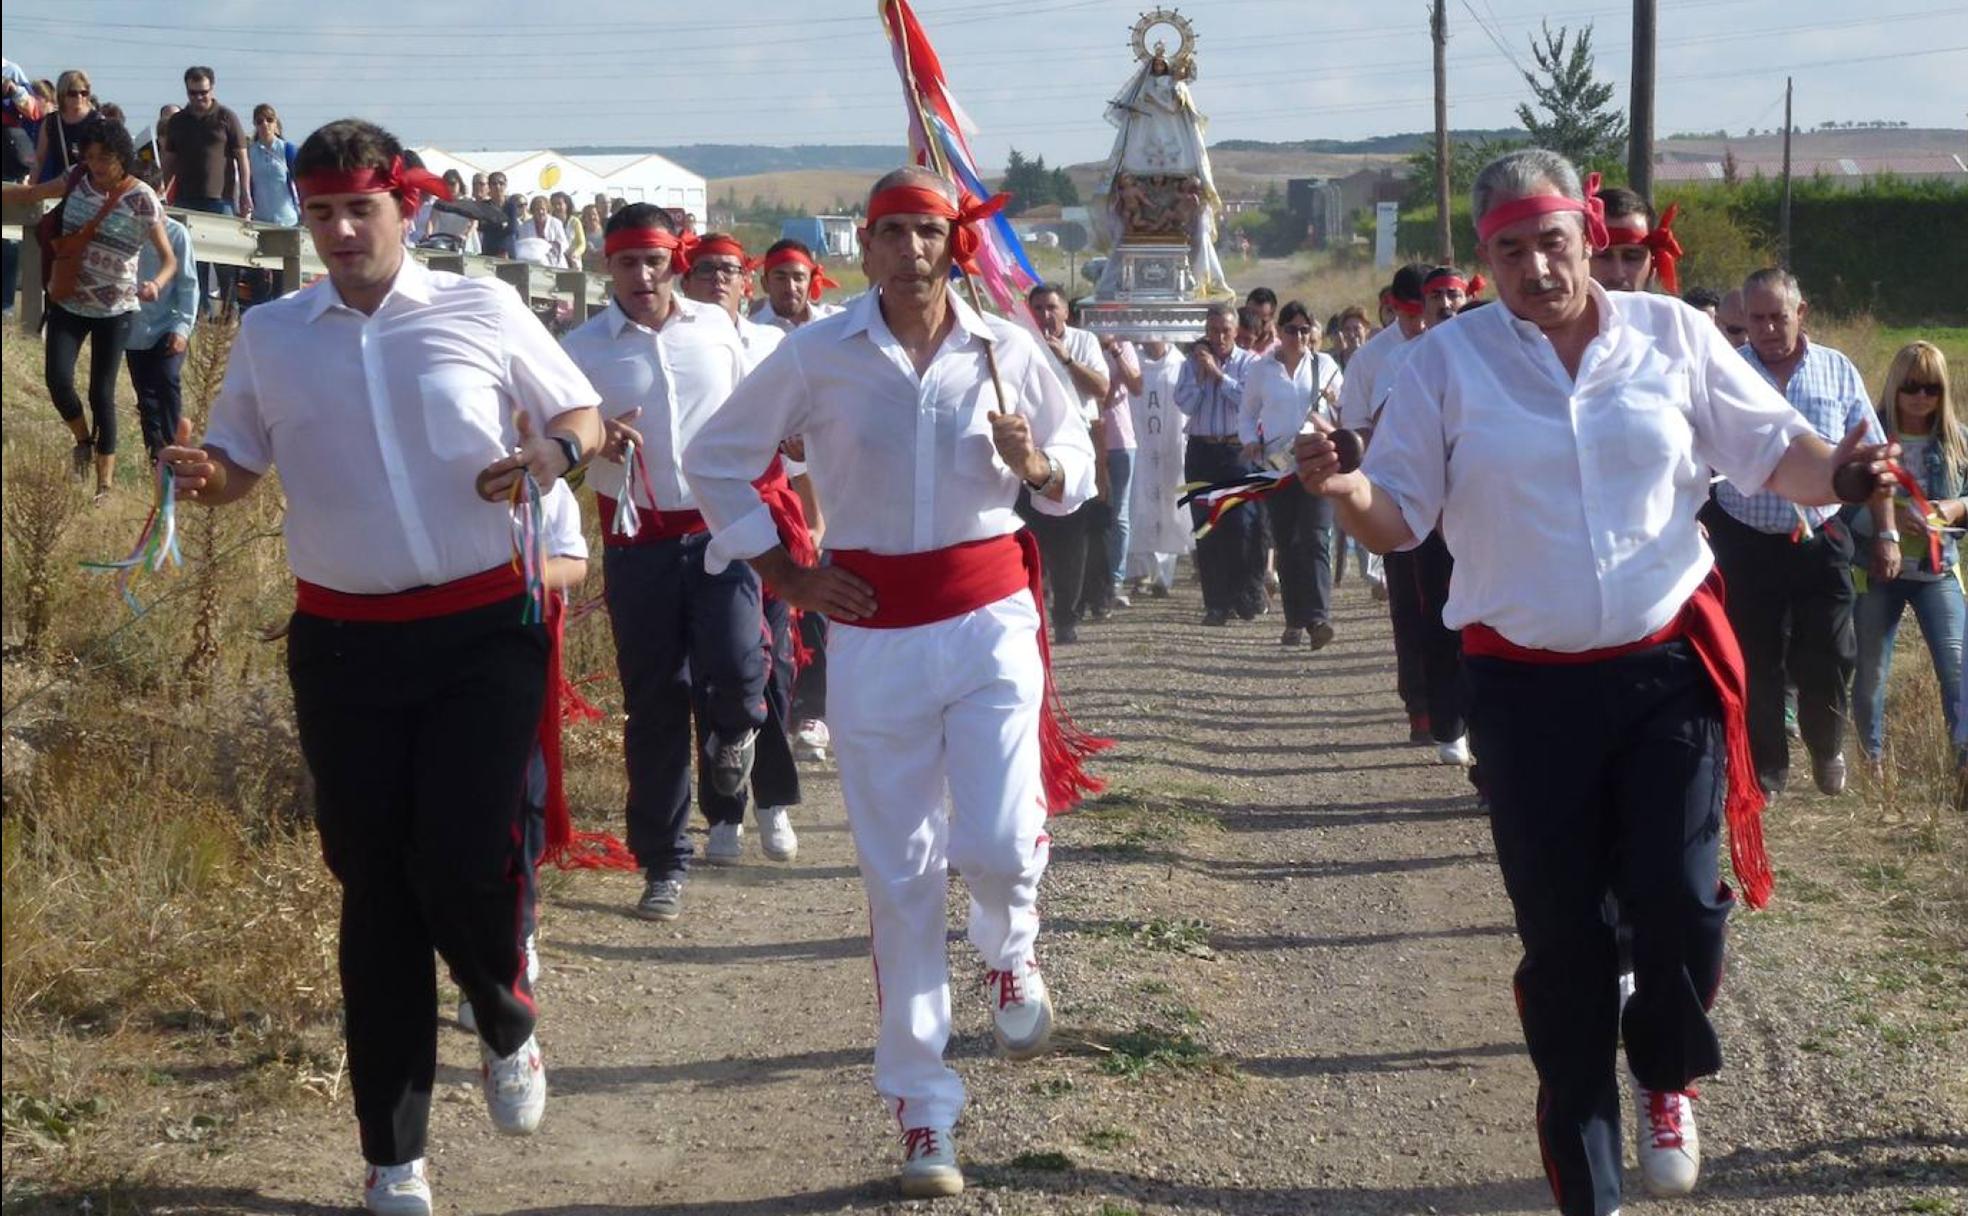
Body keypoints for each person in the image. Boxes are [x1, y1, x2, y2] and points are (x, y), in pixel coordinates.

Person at [1295, 146, 1899, 1216]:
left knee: (1682, 898)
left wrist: (1844, 476)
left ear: (1589, 232)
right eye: (1510, 250)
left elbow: (1773, 454)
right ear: (1484, 257)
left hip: (1666, 668)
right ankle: (1591, 1180)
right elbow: (1400, 517)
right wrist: (1345, 489)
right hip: (1525, 696)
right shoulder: (1450, 366)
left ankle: (1665, 1074)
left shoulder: (1670, 333)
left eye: (1553, 243)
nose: (1536, 268)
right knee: (1566, 942)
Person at [157, 117, 604, 1216]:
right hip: (345, 640)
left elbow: (580, 415)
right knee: (374, 887)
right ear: (300, 219)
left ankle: (504, 1018)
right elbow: (239, 470)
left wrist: (554, 452)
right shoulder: (274, 334)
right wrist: (198, 472)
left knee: (456, 856)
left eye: (361, 209)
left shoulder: (480, 306)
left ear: (408, 208)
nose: (342, 231)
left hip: (483, 628)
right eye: (319, 214)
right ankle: (394, 1152)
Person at [682, 166, 1097, 1198]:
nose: (910, 250)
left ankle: (1009, 942)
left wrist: (1037, 462)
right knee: (901, 877)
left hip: (990, 615)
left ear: (953, 244)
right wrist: (779, 566)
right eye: (890, 233)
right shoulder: (818, 353)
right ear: (859, 248)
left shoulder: (1007, 348)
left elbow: (1076, 468)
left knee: (999, 837)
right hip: (874, 635)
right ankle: (923, 1109)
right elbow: (715, 455)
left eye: (927, 231)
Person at [560, 205, 775, 915]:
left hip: (725, 529)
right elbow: (552, 440)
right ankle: (664, 861)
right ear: (608, 266)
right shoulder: (581, 348)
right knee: (654, 702)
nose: (643, 275)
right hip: (638, 540)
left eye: (654, 261)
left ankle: (734, 731)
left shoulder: (720, 330)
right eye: (628, 263)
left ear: (673, 261)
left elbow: (766, 411)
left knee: (741, 671)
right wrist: (595, 442)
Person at [1703, 267, 1890, 797]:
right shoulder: (1727, 373)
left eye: (1777, 317)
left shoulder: (1837, 370)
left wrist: (1887, 534)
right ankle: (1769, 766)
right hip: (1745, 537)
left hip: (1822, 537)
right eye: (1755, 318)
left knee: (1830, 651)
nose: (1765, 328)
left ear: (1801, 312)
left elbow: (1870, 458)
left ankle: (1826, 743)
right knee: (1755, 656)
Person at [2, 116, 176, 501]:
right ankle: (82, 439)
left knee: (102, 393)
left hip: (116, 309)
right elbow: (32, 194)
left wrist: (155, 284)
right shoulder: (77, 177)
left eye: (106, 157)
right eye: (91, 155)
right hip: (69, 299)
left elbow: (169, 259)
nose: (97, 165)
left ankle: (104, 484)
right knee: (57, 380)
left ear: (123, 157)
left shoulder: (142, 197)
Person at [1374, 267, 1476, 764]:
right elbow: (1382, 432)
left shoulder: (1489, 350)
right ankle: (1447, 721)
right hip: (1428, 513)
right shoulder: (1400, 360)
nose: (1447, 304)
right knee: (1436, 614)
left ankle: (1483, 718)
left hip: (1487, 514)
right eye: (1437, 296)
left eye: (1455, 295)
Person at [1853, 341, 1965, 776]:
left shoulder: (1958, 442)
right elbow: (1842, 502)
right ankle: (1871, 762)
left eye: (1932, 388)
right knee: (1871, 670)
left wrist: (1952, 510)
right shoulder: (1871, 440)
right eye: (1912, 387)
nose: (1922, 397)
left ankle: (1963, 763)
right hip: (1876, 571)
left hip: (1937, 571)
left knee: (1957, 667)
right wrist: (1897, 515)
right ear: (1895, 387)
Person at [1241, 301, 1342, 648]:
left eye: (1303, 329)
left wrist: (1333, 403)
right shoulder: (1261, 370)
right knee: (1286, 540)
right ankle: (1294, 619)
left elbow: (1344, 412)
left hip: (1317, 461)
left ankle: (1318, 618)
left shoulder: (1325, 366)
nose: (1297, 336)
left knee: (1315, 537)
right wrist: (1250, 441)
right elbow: (1246, 413)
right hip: (1277, 465)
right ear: (1279, 332)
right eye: (1290, 329)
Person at [1336, 265, 1433, 612]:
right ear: (1392, 307)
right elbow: (1355, 426)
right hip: (1394, 491)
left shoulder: (1447, 345)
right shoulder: (1370, 358)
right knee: (1408, 602)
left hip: (1445, 494)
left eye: (1424, 313)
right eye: (1409, 314)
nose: (1418, 324)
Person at [1024, 282, 1108, 643]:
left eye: (1051, 308)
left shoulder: (1083, 342)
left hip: (1076, 446)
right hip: (1032, 449)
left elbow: (1102, 388)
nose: (1045, 316)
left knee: (1072, 538)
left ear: (1065, 312)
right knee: (1030, 533)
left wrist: (1066, 359)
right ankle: (1033, 612)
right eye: (1038, 308)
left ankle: (1067, 616)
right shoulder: (1022, 342)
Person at [1177, 301, 1262, 624]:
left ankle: (1245, 592)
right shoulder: (1191, 364)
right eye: (1213, 330)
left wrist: (1217, 375)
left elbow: (1247, 400)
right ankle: (1216, 602)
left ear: (1236, 330)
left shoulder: (1251, 363)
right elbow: (1184, 403)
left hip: (1236, 452)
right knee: (1206, 527)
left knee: (1241, 525)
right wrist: (1201, 376)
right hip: (1201, 451)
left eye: (1225, 330)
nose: (1219, 336)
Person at [123, 159, 198, 465]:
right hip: (135, 329)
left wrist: (182, 328)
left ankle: (173, 449)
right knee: (146, 397)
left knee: (167, 380)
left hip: (168, 324)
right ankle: (156, 456)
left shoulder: (177, 234)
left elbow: (189, 285)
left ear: (161, 192)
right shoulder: (122, 231)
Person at [1126, 337, 1191, 595]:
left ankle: (1163, 574)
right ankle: (1141, 571)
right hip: (1141, 440)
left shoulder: (1181, 365)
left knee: (1169, 505)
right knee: (1139, 501)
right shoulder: (1133, 363)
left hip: (1171, 444)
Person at [1096, 334, 1141, 612]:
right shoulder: (1081, 344)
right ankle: (1094, 583)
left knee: (1119, 515)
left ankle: (1115, 581)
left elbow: (1136, 385)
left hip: (1121, 441)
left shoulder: (1123, 346)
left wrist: (1114, 350)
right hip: (1090, 438)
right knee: (1092, 513)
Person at [1591, 185, 1682, 294]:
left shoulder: (1675, 311)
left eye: (1632, 257)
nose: (1618, 275)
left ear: (1652, 265)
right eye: (1603, 256)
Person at [753, 238, 842, 331]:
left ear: (811, 282)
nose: (790, 287)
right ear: (765, 283)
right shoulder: (752, 331)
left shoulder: (829, 324)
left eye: (798, 278)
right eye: (781, 278)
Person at [31, 69, 93, 184]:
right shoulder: (51, 122)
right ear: (62, 94)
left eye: (84, 93)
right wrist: (30, 189)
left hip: (91, 188)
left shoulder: (97, 121)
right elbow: (39, 159)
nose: (79, 97)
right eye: (73, 93)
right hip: (61, 186)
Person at [247, 104, 299, 227]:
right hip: (260, 219)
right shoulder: (250, 153)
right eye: (260, 121)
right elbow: (247, 185)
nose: (265, 124)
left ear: (276, 123)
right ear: (255, 124)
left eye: (269, 120)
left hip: (287, 219)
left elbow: (300, 183)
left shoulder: (288, 150)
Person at [511, 194, 568, 268]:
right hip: (533, 264)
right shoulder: (524, 226)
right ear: (533, 211)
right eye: (537, 209)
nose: (540, 212)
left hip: (555, 264)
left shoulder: (556, 223)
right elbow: (521, 245)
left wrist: (554, 246)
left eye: (543, 209)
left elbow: (565, 244)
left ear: (547, 209)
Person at [478, 171, 514, 258]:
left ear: (505, 185)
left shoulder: (511, 206)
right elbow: (482, 227)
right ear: (489, 186)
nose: (498, 186)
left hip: (507, 252)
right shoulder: (484, 205)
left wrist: (493, 225)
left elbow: (512, 229)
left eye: (501, 183)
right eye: (494, 184)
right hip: (488, 250)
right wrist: (502, 225)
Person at [550, 192, 584, 269]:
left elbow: (582, 243)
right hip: (555, 262)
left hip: (573, 261)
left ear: (566, 205)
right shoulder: (549, 222)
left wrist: (575, 253)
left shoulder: (575, 221)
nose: (557, 207)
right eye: (554, 204)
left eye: (559, 204)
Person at [1243, 286, 1280, 355]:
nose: (1255, 325)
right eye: (1250, 318)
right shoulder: (1230, 345)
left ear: (1272, 318)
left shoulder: (1279, 351)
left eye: (1262, 322)